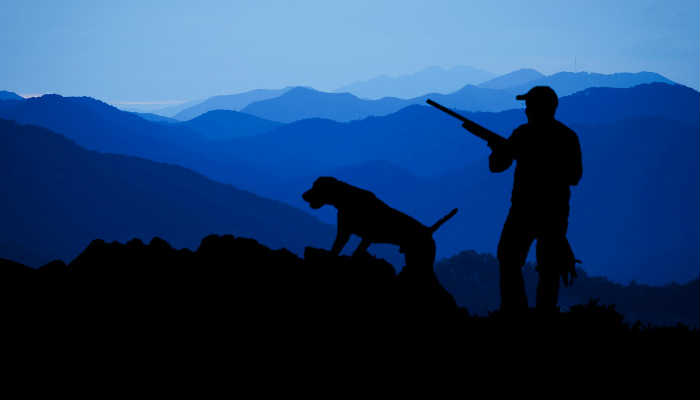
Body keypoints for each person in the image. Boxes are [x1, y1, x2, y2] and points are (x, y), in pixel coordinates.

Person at [484, 86, 582, 313]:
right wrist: (499, 149)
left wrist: (505, 152)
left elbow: (497, 166)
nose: (526, 110)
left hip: (526, 211)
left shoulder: (524, 134)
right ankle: (538, 315)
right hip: (552, 211)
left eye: (529, 106)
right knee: (543, 267)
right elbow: (575, 176)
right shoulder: (566, 136)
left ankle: (516, 313)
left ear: (540, 108)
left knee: (516, 260)